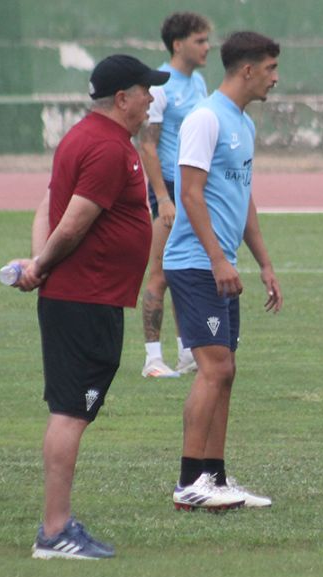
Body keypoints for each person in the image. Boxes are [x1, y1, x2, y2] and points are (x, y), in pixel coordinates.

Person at [10, 54, 169, 559]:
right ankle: (54, 531)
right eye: (146, 90)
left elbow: (47, 202)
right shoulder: (105, 147)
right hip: (86, 299)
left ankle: (58, 527)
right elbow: (74, 220)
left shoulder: (83, 137)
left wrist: (39, 262)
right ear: (122, 98)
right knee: (70, 413)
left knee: (71, 410)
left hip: (84, 297)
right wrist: (44, 265)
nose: (151, 99)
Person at [163, 31, 283, 511]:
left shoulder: (243, 124)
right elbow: (189, 194)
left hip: (221, 266)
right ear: (249, 70)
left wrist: (265, 262)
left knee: (226, 371)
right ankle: (189, 482)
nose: (276, 79)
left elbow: (243, 195)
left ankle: (215, 478)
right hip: (196, 264)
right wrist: (216, 258)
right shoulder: (205, 119)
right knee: (214, 368)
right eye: (272, 69)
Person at [138, 12, 211, 379]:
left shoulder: (198, 84)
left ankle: (186, 352)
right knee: (160, 273)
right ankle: (153, 359)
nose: (207, 47)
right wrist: (163, 198)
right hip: (168, 193)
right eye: (200, 40)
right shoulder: (161, 87)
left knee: (184, 271)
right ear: (179, 44)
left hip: (189, 191)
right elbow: (147, 146)